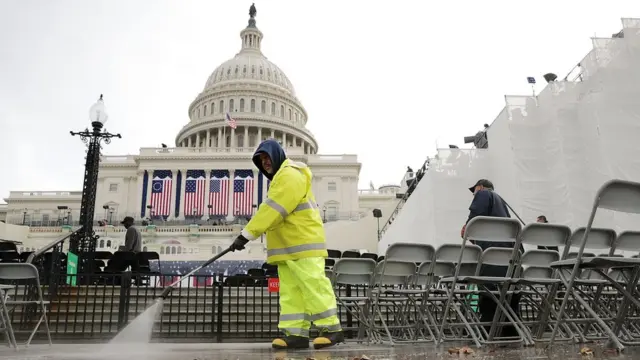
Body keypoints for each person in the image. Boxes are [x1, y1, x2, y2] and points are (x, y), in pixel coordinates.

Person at [230, 139, 344, 350]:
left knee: (313, 286)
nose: (265, 162)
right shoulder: (281, 178)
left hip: (303, 243)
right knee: (291, 293)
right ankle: (295, 334)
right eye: (261, 159)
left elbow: (273, 209)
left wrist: (246, 234)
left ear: (277, 154)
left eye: (267, 157)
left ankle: (331, 328)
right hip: (287, 247)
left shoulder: (290, 174)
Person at [461, 179, 521, 338]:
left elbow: (476, 217)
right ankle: (510, 331)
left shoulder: (482, 194)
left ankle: (488, 330)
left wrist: (467, 227)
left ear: (480, 187)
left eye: (474, 190)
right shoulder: (501, 202)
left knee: (488, 289)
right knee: (508, 291)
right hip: (508, 253)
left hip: (491, 251)